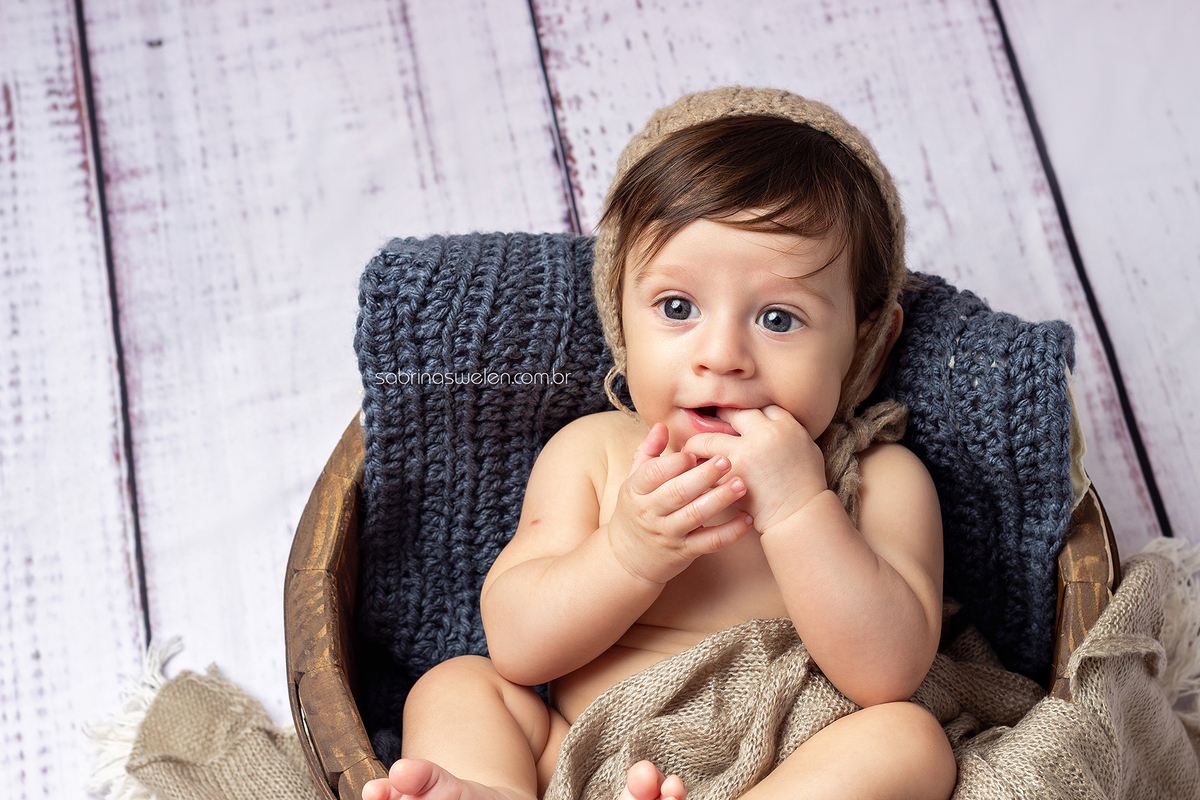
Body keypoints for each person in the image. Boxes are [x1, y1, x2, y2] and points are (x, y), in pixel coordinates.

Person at [363, 86, 957, 800]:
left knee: (910, 741)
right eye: (678, 308)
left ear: (866, 344)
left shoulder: (878, 477)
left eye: (778, 318)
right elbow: (518, 647)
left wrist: (802, 506)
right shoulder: (597, 454)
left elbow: (888, 672)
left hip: (784, 765)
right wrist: (627, 552)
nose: (723, 355)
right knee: (458, 686)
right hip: (589, 762)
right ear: (621, 315)